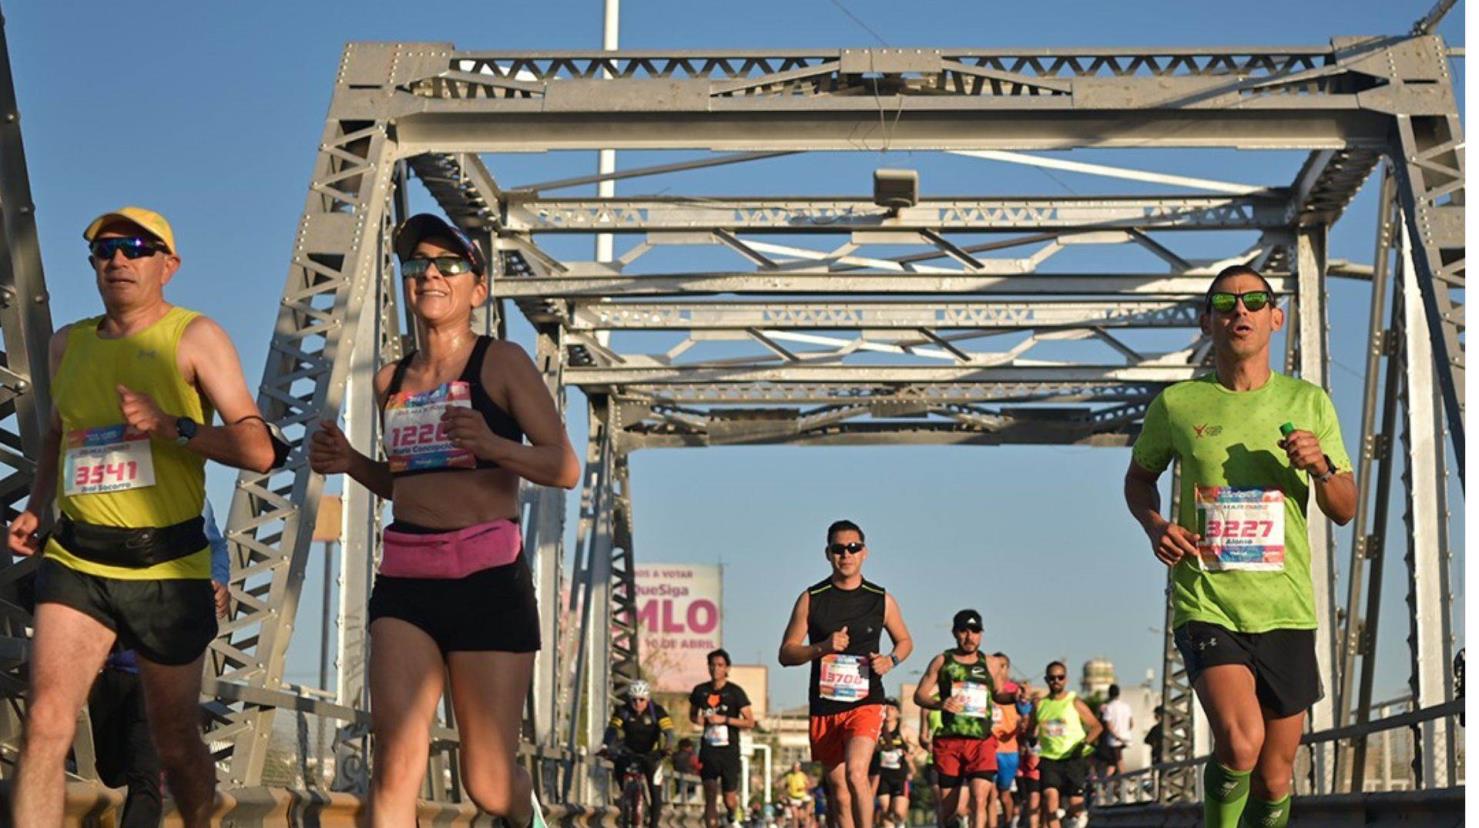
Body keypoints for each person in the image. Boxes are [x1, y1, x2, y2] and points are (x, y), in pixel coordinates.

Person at [7, 207, 279, 827]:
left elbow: (259, 450)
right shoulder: (65, 344)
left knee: (176, 743)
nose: (119, 260)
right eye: (105, 251)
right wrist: (37, 507)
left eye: (135, 247)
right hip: (79, 558)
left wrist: (171, 426)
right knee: (45, 726)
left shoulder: (195, 337)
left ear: (168, 265)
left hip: (166, 565)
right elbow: (57, 432)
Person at [309, 213, 581, 826]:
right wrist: (353, 462)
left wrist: (493, 443)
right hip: (407, 579)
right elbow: (408, 483)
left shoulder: (502, 362)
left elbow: (564, 467)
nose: (430, 273)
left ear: (477, 289)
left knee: (486, 783)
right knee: (394, 767)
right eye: (417, 265)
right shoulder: (390, 381)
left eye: (448, 264)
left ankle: (528, 814)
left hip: (487, 578)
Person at [1123, 264, 1356, 828]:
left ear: (1276, 318)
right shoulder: (1178, 405)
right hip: (1208, 601)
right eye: (1225, 304)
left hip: (1285, 606)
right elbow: (1138, 479)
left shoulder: (1310, 402)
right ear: (1207, 321)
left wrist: (1321, 466)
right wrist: (1156, 525)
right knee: (1240, 744)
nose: (1240, 312)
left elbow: (1345, 509)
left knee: (1275, 777)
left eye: (1255, 301)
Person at [84, 500, 232, 828]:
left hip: (157, 666)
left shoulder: (190, 490)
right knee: (110, 770)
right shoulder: (104, 479)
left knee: (145, 779)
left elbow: (215, 545)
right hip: (104, 665)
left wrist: (219, 580)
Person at [779, 519, 913, 828]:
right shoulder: (812, 598)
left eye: (853, 548)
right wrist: (822, 646)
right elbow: (786, 653)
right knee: (839, 792)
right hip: (826, 706)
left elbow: (905, 641)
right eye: (839, 549)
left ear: (864, 552)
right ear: (828, 553)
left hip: (866, 702)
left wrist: (891, 660)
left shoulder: (880, 598)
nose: (846, 554)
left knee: (856, 773)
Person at [913, 610, 1018, 828]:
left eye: (976, 631)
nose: (970, 636)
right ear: (954, 633)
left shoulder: (990, 663)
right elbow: (919, 695)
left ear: (982, 634)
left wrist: (1016, 696)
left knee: (979, 799)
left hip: (981, 740)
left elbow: (999, 694)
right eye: (964, 631)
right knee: (949, 809)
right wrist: (940, 704)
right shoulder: (943, 661)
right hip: (950, 742)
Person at [689, 648, 756, 828]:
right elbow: (693, 714)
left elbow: (750, 722)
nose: (715, 669)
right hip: (708, 750)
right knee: (710, 795)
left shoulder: (735, 692)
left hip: (729, 752)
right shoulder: (700, 691)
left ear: (727, 669)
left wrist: (724, 720)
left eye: (720, 665)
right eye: (712, 665)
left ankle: (733, 813)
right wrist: (700, 720)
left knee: (729, 798)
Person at [1029, 662, 1102, 828]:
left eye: (1060, 677)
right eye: (1052, 678)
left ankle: (1068, 816)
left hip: (1073, 759)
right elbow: (1031, 728)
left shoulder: (1074, 702)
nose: (1056, 681)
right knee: (1050, 802)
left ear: (1066, 679)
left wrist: (1083, 744)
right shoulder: (1040, 705)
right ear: (1046, 680)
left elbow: (1097, 727)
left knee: (1076, 808)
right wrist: (1031, 738)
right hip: (1050, 759)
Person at [602, 680, 674, 828]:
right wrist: (606, 746)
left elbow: (669, 732)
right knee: (619, 763)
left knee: (655, 792)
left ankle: (653, 824)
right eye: (634, 699)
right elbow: (612, 729)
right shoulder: (623, 711)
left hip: (652, 754)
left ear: (647, 699)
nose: (638, 703)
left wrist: (668, 746)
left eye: (641, 699)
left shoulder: (657, 712)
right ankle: (625, 795)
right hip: (630, 752)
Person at [989, 655, 1024, 828]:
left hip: (1009, 750)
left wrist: (1023, 721)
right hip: (988, 748)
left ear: (1008, 668)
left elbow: (1026, 714)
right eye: (996, 666)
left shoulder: (1014, 690)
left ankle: (1010, 823)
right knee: (990, 793)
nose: (999, 669)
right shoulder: (985, 688)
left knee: (1004, 793)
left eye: (1002, 666)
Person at [869, 699, 914, 828]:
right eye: (886, 708)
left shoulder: (904, 729)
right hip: (882, 775)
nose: (888, 711)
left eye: (892, 709)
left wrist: (911, 752)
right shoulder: (877, 730)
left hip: (900, 775)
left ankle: (900, 824)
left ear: (898, 713)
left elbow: (916, 747)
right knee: (884, 809)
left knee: (898, 811)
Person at [1096, 684, 1133, 777]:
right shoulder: (1126, 706)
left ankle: (1125, 779)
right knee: (1113, 762)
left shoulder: (1109, 707)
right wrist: (1125, 731)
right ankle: (1106, 781)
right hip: (1126, 736)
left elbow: (1108, 724)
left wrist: (1116, 735)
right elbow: (1131, 723)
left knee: (1119, 760)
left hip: (1114, 739)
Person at [1016, 735, 1041, 828]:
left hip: (1044, 773)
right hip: (1032, 775)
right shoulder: (1027, 740)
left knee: (1044, 805)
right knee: (1033, 804)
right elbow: (1032, 763)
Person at [780, 762, 814, 828]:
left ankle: (806, 824)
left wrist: (803, 788)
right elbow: (786, 786)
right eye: (794, 767)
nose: (795, 769)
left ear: (799, 768)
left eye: (797, 767)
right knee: (794, 816)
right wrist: (784, 793)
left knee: (802, 817)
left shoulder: (802, 775)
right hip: (793, 798)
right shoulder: (789, 776)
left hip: (802, 797)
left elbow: (808, 785)